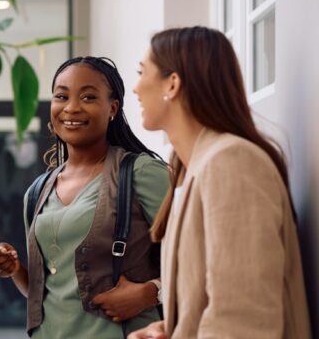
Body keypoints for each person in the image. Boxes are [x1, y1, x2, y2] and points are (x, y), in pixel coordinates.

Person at [129, 26, 311, 338]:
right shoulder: (192, 170)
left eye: (142, 72)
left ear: (172, 84)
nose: (134, 88)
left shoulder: (232, 162)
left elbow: (243, 320)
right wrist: (170, 330)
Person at [0, 56, 169, 338]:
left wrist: (151, 293)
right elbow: (43, 294)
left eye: (88, 96)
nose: (71, 107)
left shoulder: (141, 173)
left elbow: (199, 256)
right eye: (62, 96)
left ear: (112, 108)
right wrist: (15, 270)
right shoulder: (38, 191)